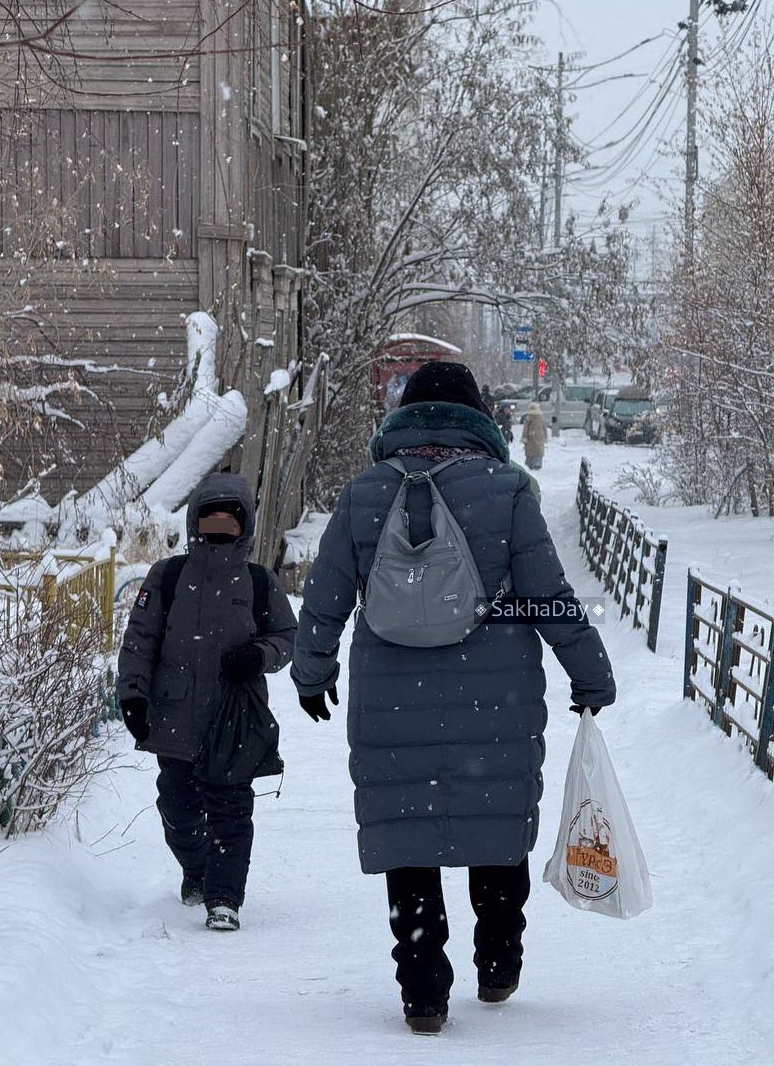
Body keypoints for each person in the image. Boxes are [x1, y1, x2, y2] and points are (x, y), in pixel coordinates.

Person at [291, 361, 615, 1035]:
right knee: (495, 829)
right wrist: (590, 672)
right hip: (495, 703)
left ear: (405, 416)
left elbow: (323, 600)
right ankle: (498, 959)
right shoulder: (508, 490)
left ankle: (423, 991)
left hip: (390, 702)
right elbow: (550, 598)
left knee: (407, 841)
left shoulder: (364, 493)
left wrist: (311, 672)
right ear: (477, 418)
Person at [117, 472, 296, 932]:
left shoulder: (258, 582)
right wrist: (133, 695)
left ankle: (223, 898)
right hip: (174, 717)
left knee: (231, 812)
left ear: (244, 527)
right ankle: (196, 869)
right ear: (196, 523)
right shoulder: (168, 576)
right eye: (210, 520)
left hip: (233, 719)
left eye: (229, 523)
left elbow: (286, 637)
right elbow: (140, 640)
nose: (219, 531)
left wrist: (259, 655)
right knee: (176, 807)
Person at [522, 400, 547, 470]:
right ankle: (537, 464)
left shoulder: (529, 417)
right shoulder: (541, 417)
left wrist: (524, 437)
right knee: (538, 452)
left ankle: (530, 463)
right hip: (540, 437)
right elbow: (544, 427)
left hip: (531, 438)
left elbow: (525, 428)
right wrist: (545, 436)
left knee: (530, 452)